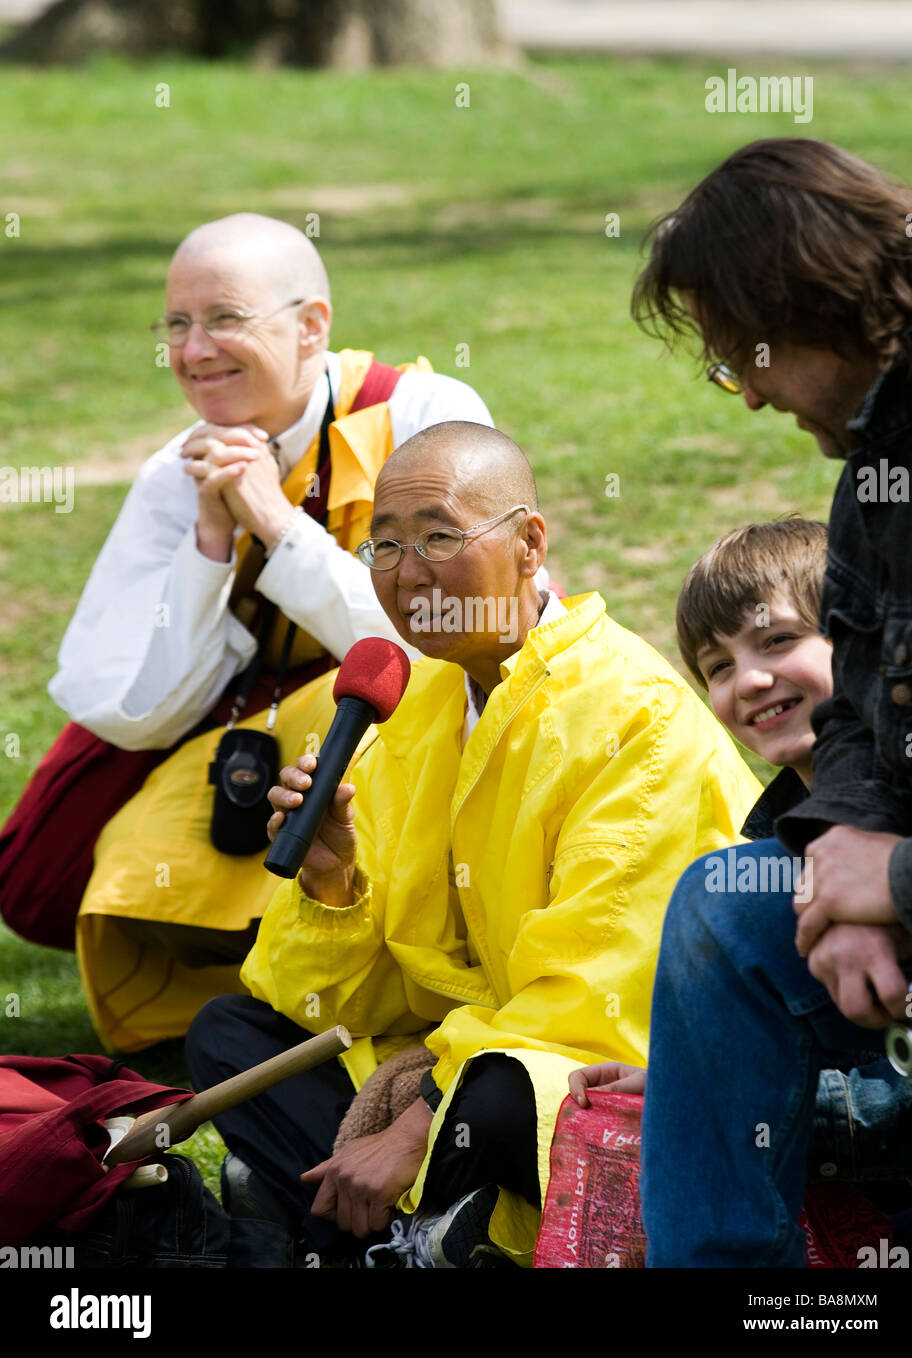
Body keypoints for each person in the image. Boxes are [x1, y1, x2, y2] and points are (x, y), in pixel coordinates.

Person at [185, 420, 761, 1268]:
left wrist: (418, 1117)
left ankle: (363, 1239)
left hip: (621, 1064)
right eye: (383, 546)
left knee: (502, 1096)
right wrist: (333, 883)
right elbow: (345, 1008)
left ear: (530, 544)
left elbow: (594, 997)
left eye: (439, 537)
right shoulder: (407, 708)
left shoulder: (633, 718)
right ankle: (422, 1243)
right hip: (470, 1039)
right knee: (233, 1036)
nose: (409, 573)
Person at [7, 213, 496, 1052]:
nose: (194, 351)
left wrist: (277, 525)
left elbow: (451, 637)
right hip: (246, 718)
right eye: (176, 325)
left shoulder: (422, 413)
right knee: (52, 868)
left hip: (412, 715)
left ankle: (392, 971)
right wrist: (209, 542)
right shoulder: (182, 469)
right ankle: (252, 988)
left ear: (312, 326)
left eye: (225, 319)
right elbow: (121, 701)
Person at [626, 137, 912, 1266]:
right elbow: (857, 707)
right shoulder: (874, 477)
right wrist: (848, 846)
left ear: (804, 297)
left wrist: (893, 878)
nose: (744, 393)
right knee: (731, 893)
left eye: (736, 354)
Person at [570, 520, 912, 1245]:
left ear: (857, 644)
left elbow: (895, 1094)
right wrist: (695, 1082)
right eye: (718, 667)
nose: (750, 680)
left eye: (778, 640)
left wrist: (721, 1104)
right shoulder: (764, 849)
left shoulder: (907, 814)